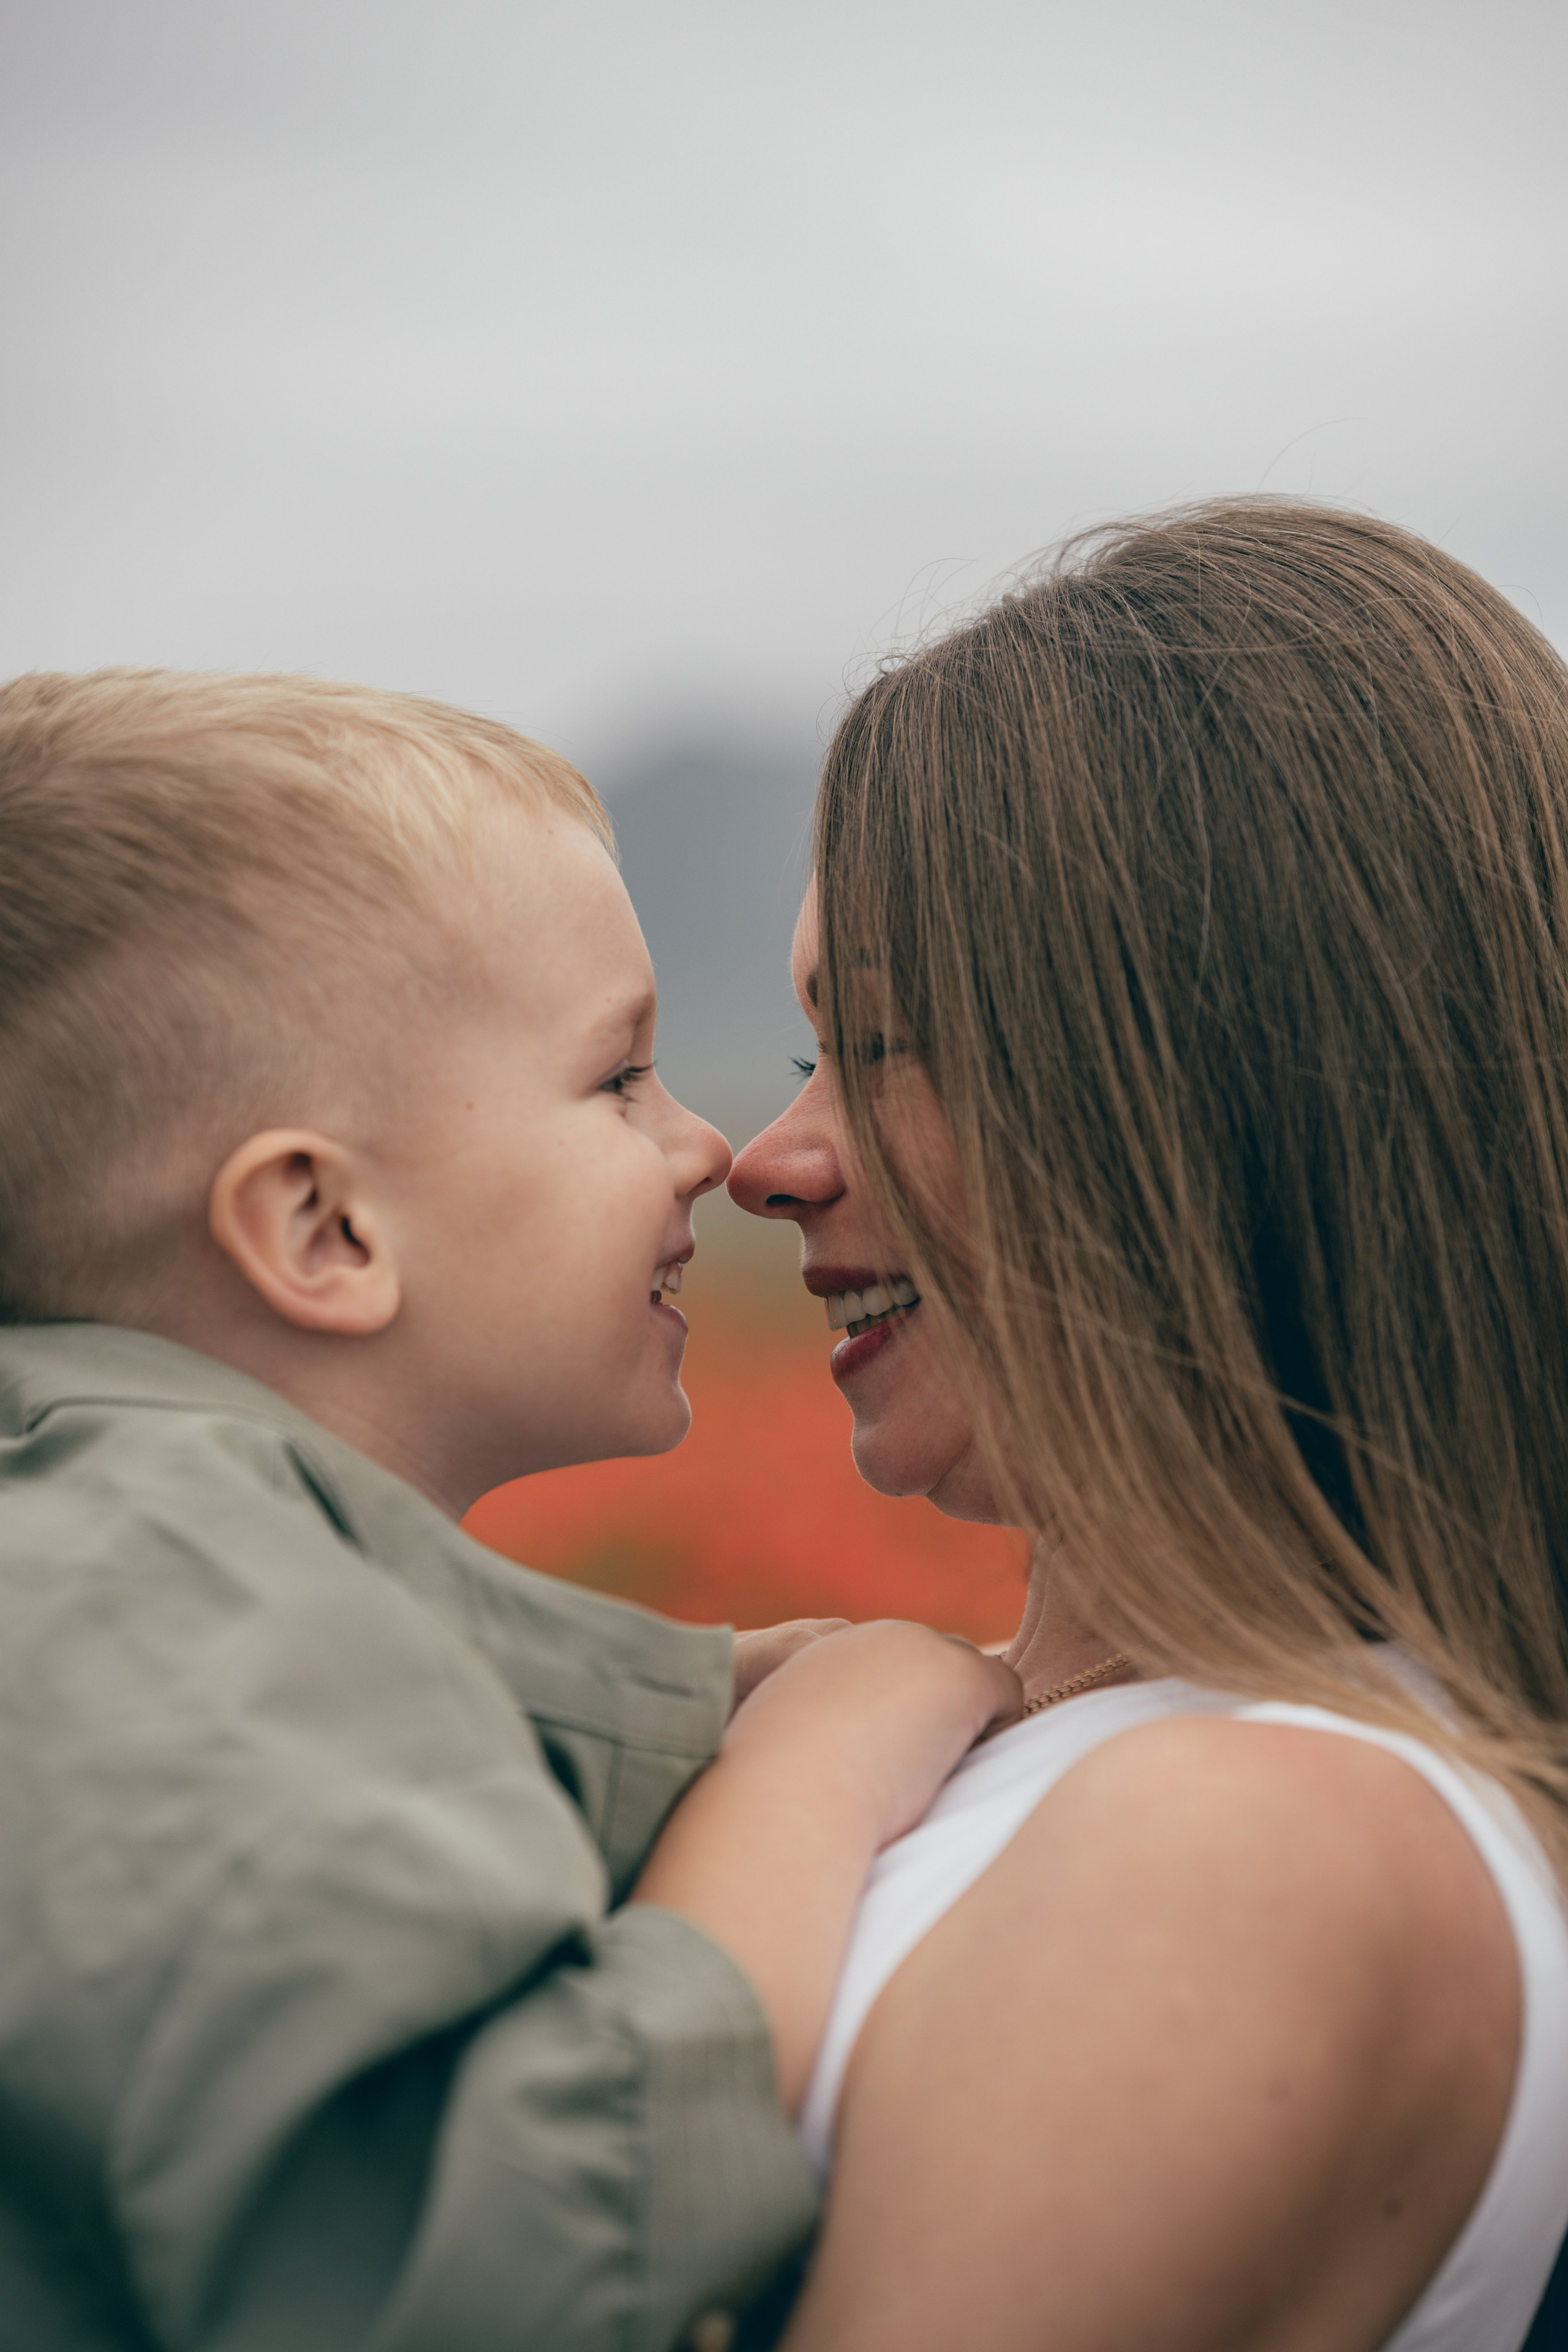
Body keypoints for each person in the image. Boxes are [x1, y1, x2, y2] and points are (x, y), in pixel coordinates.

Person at [0, 669, 1020, 2352]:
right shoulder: (147, 1582)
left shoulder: (134, 1556)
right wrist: (815, 1763)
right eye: (619, 1078)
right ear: (325, 1232)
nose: (715, 1149)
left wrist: (707, 1697)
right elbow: (517, 2245)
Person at [729, 500, 1568, 2352]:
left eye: (880, 1042)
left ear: (1204, 1101)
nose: (767, 1163)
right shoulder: (1113, 1760)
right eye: (804, 1053)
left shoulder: (1267, 1843)